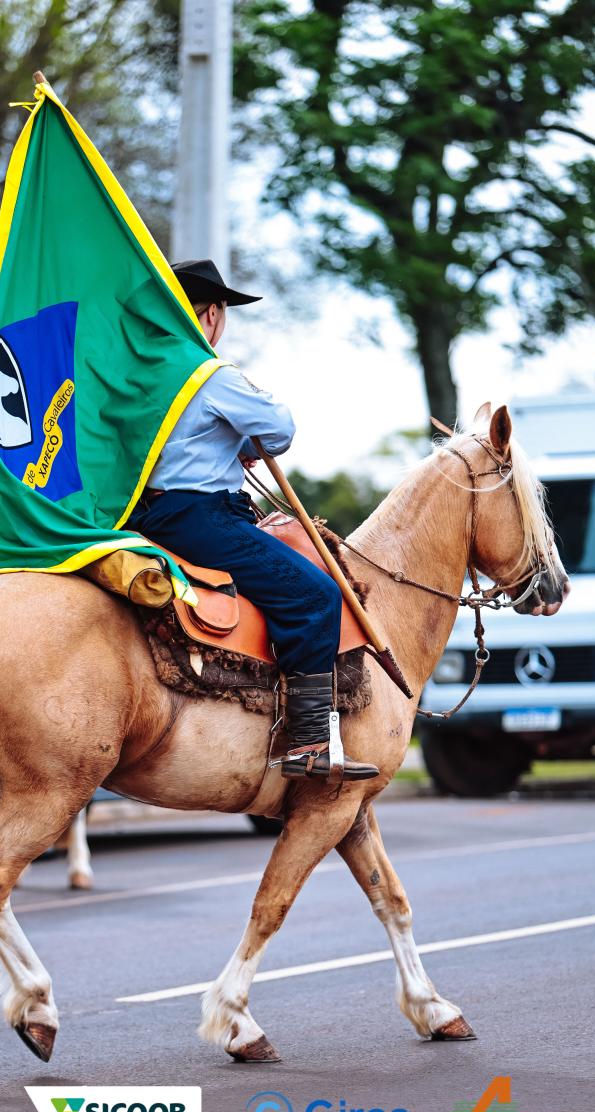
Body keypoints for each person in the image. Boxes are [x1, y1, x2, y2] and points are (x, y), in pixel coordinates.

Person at [132, 258, 379, 782]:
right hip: (201, 518)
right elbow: (280, 428)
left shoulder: (136, 372)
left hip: (145, 517)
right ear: (213, 314)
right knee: (316, 596)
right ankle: (308, 744)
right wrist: (244, 438)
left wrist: (230, 441)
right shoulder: (209, 373)